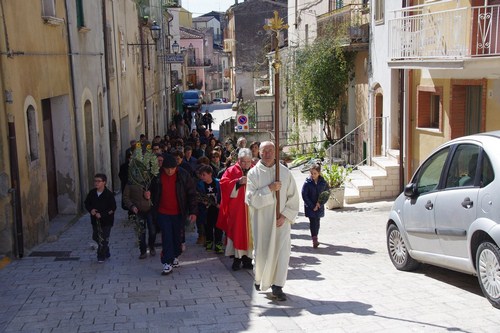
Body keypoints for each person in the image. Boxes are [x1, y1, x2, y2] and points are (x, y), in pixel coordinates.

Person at [245, 141, 300, 301]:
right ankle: (260, 278)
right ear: (259, 153)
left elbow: (293, 197)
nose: (268, 153)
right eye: (264, 151)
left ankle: (277, 286)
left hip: (281, 222)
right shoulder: (253, 174)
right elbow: (250, 198)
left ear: (275, 152)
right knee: (262, 252)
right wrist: (269, 189)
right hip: (262, 222)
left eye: (271, 150)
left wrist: (285, 216)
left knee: (282, 253)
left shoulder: (284, 172)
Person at [152, 154, 198, 275]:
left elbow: (191, 194)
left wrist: (193, 211)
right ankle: (167, 262)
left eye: (172, 168)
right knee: (167, 236)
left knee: (177, 237)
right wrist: (146, 195)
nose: (170, 171)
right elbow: (151, 192)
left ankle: (174, 255)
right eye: (167, 168)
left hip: (178, 212)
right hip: (162, 212)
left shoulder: (183, 175)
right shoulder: (156, 176)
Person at [217, 148, 253, 271]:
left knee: (251, 233)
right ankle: (237, 259)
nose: (246, 164)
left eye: (248, 162)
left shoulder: (255, 170)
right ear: (238, 160)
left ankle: (248, 259)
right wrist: (237, 183)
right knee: (237, 232)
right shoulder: (231, 170)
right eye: (243, 162)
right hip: (237, 210)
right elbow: (223, 184)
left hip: (251, 209)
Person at [84, 174, 117, 263]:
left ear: (104, 183)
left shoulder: (109, 194)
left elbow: (113, 208)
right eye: (95, 181)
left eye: (99, 181)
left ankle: (100, 256)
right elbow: (87, 203)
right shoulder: (92, 193)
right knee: (96, 237)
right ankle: (106, 250)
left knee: (104, 238)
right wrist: (91, 210)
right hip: (95, 221)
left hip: (107, 221)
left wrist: (102, 214)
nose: (96, 183)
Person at [122, 180, 156, 259]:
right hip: (138, 211)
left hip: (150, 210)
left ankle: (151, 246)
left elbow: (157, 192)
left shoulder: (150, 180)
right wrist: (132, 206)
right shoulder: (130, 182)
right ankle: (143, 251)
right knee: (141, 232)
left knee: (152, 230)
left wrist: (150, 196)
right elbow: (125, 197)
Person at [196, 165, 223, 253]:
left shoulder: (218, 183)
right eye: (201, 175)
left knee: (218, 227)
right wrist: (202, 202)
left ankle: (218, 244)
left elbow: (223, 195)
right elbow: (197, 196)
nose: (202, 177)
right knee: (208, 226)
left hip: (217, 209)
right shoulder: (199, 185)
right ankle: (209, 242)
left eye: (204, 175)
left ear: (210, 174)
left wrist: (220, 204)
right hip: (206, 210)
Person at [301, 163, 329, 248]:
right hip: (310, 207)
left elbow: (326, 193)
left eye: (315, 173)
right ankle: (314, 239)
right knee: (313, 222)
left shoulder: (323, 182)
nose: (313, 175)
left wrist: (320, 203)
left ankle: (316, 235)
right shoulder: (307, 182)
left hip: (319, 207)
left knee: (317, 222)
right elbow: (304, 195)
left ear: (319, 173)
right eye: (311, 173)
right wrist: (312, 206)